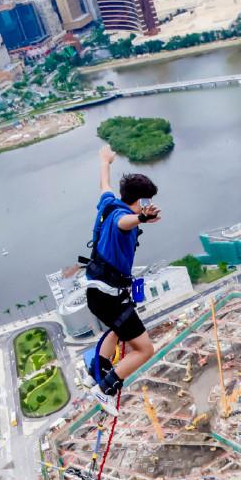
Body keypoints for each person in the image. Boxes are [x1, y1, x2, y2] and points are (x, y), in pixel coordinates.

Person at [83, 145, 160, 413]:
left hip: (96, 291)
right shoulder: (122, 216)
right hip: (109, 296)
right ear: (140, 201)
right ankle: (105, 389)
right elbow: (124, 223)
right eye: (146, 201)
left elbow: (104, 184)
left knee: (117, 330)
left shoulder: (109, 203)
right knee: (145, 349)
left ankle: (95, 372)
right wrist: (141, 218)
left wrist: (105, 161)